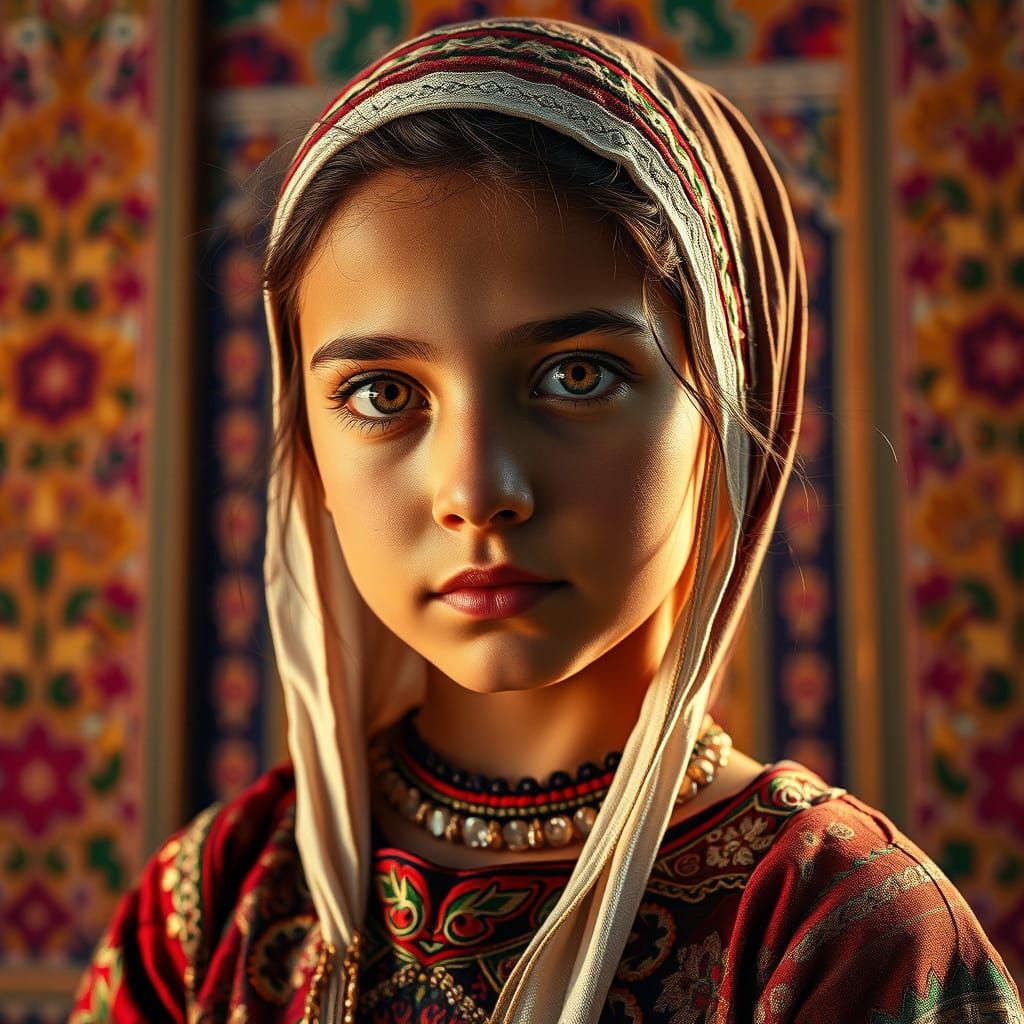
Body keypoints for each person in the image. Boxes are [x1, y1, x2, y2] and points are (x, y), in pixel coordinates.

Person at [71, 15, 1023, 1024]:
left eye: (577, 374)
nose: (477, 490)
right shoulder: (211, 911)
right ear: (301, 440)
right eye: (384, 394)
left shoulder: (843, 934)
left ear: (732, 413)